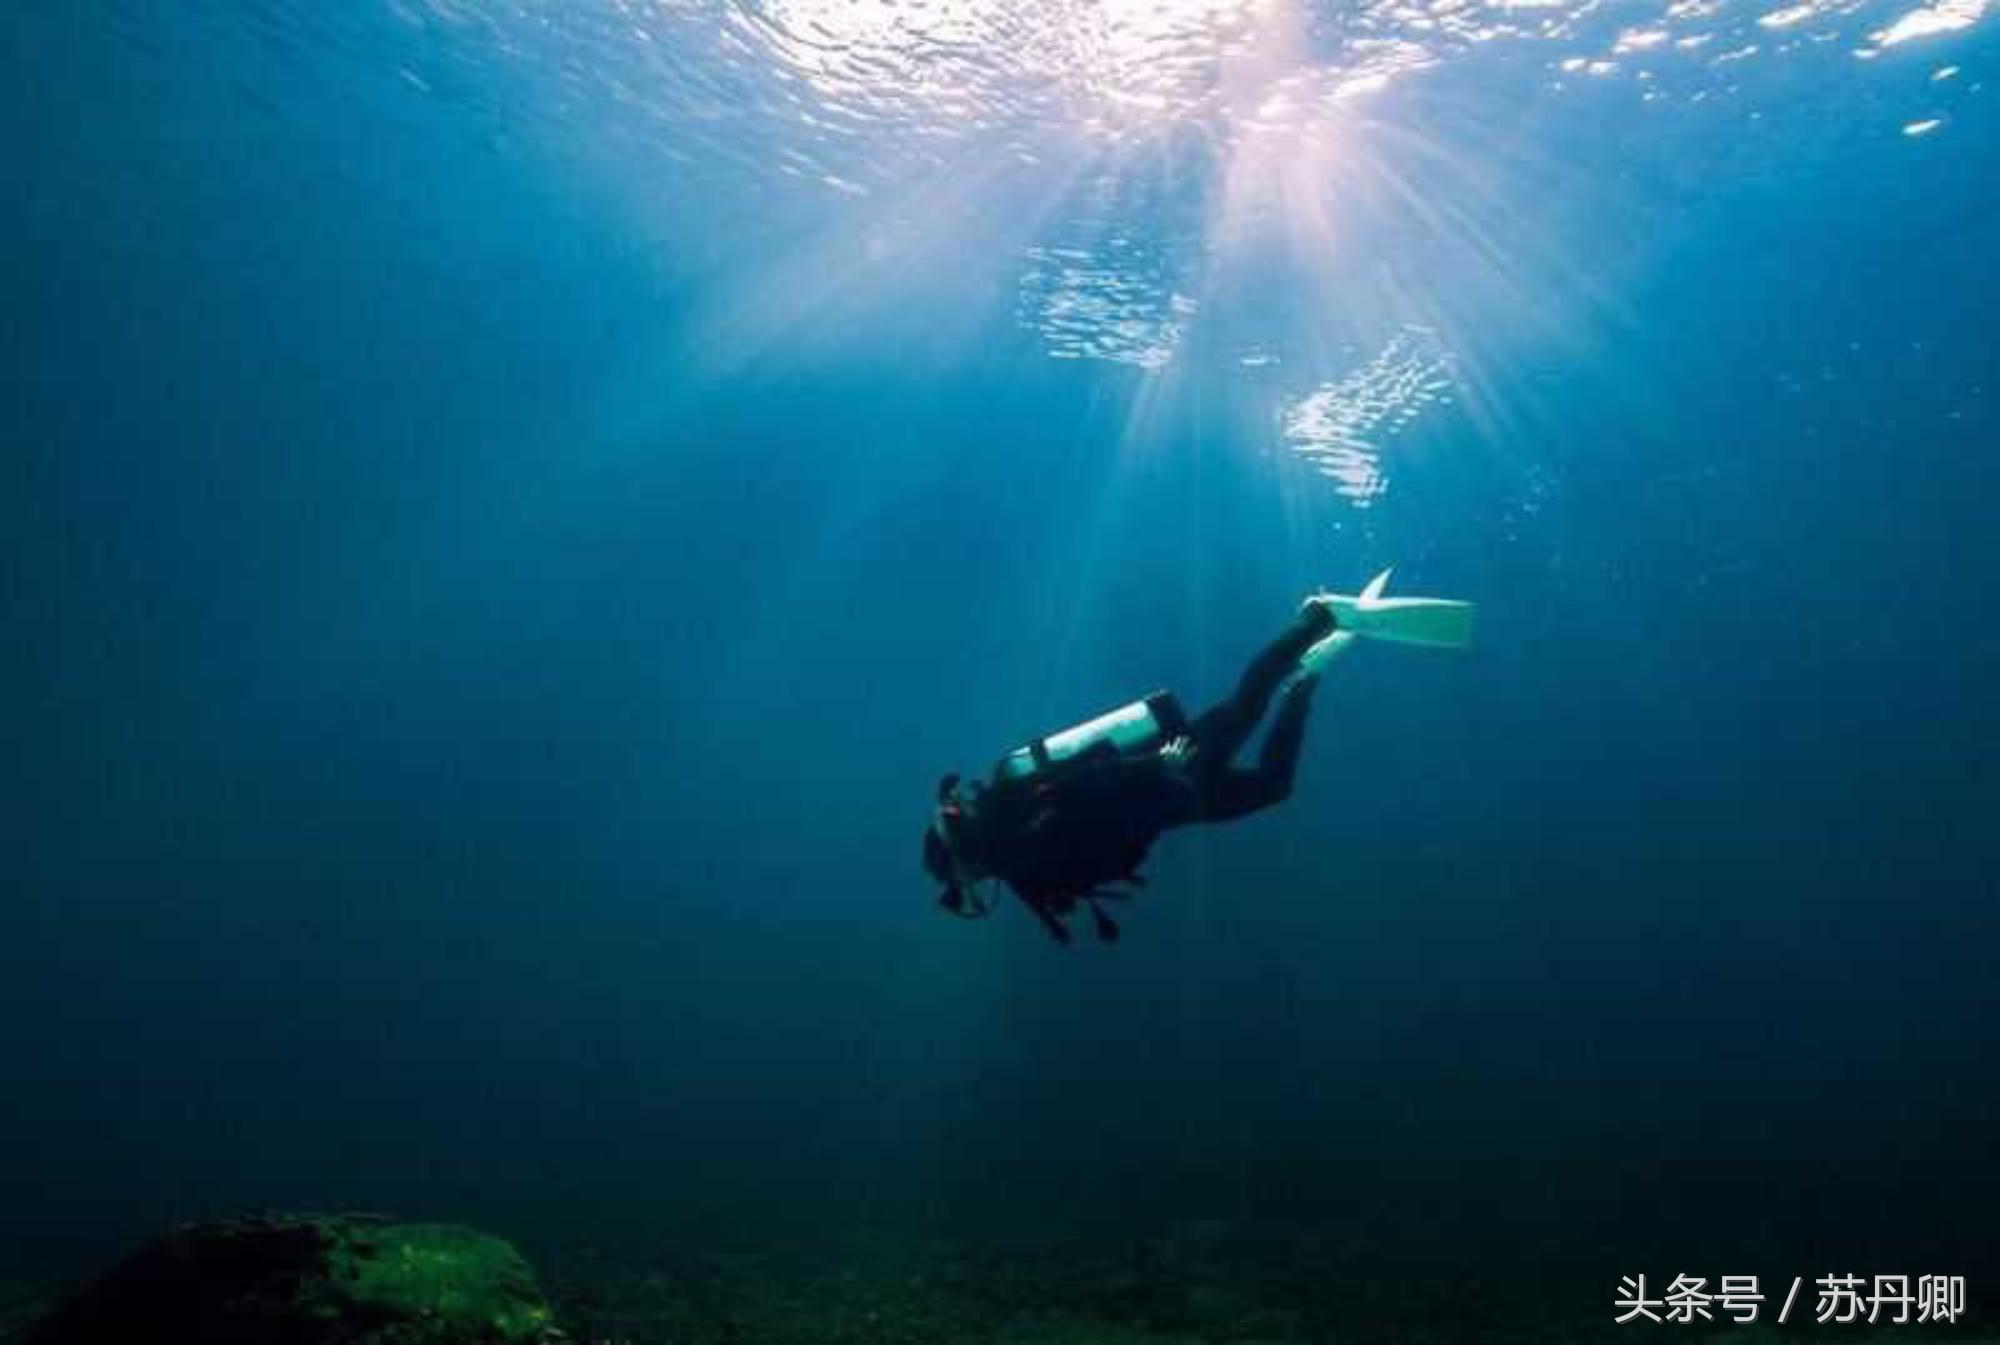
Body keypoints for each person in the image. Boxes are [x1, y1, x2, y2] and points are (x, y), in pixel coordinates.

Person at [921, 598, 1338, 945]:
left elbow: (1080, 785)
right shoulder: (1015, 862)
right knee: (1272, 781)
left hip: (1165, 774)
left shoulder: (1013, 828)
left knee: (1246, 707)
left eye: (960, 877)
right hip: (1170, 805)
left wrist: (1153, 764)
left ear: (962, 857)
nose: (970, 883)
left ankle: (1317, 618)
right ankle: (1305, 680)